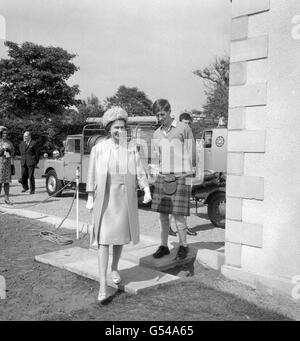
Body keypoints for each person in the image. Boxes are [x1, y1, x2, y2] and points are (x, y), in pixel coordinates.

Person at [86, 107, 152, 303]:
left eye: (122, 127)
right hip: (105, 199)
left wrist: (146, 188)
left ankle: (115, 267)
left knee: (120, 238)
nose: (119, 131)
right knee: (104, 240)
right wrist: (90, 196)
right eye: (116, 127)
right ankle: (103, 285)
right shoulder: (99, 149)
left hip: (124, 198)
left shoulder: (131, 147)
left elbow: (139, 170)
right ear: (109, 128)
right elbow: (91, 173)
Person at [151, 99, 196, 260]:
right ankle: (163, 246)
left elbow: (192, 154)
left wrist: (189, 176)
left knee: (178, 215)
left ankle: (183, 246)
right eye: (157, 115)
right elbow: (156, 158)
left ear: (169, 111)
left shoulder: (184, 128)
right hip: (163, 177)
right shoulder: (156, 134)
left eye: (162, 114)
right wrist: (155, 174)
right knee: (163, 216)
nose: (160, 118)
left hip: (181, 177)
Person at [178, 112, 198, 237]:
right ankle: (182, 228)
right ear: (180, 123)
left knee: (185, 200)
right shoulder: (178, 136)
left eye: (189, 123)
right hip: (180, 172)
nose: (187, 126)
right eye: (185, 123)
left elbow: (193, 153)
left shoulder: (189, 136)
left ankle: (181, 226)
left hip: (188, 171)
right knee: (181, 201)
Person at [0, 126, 15, 205]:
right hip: (0, 164)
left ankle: (7, 199)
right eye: (4, 133)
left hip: (7, 164)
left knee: (7, 182)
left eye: (6, 133)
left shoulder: (9, 142)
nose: (5, 135)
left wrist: (9, 150)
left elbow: (13, 152)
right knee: (0, 182)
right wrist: (2, 150)